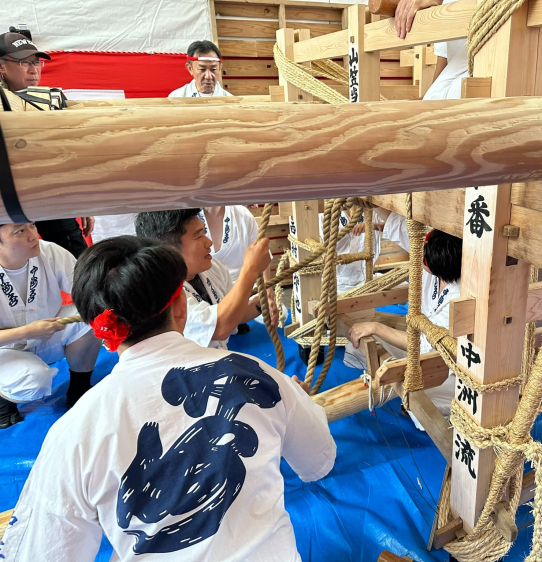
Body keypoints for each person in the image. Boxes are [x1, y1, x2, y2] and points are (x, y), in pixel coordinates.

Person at [0, 236, 335, 561]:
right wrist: (294, 400)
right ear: (181, 306)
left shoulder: (74, 431)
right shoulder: (257, 375)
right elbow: (319, 460)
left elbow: (44, 552)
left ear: (103, 336)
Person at [347, 209, 461, 419]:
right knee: (359, 335)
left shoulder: (459, 297)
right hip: (420, 338)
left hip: (446, 365)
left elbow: (427, 348)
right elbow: (396, 223)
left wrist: (377, 327)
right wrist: (369, 197)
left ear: (432, 266)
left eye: (422, 260)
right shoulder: (434, 253)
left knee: (420, 398)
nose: (417, 257)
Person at [0, 32, 94, 257]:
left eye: (36, 62)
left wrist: (80, 203)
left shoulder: (48, 100)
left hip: (48, 193)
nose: (34, 69)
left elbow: (64, 156)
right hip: (6, 202)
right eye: (24, 62)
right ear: (1, 66)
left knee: (79, 263)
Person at [0, 222, 102, 428]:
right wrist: (27, 331)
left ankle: (79, 388)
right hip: (5, 350)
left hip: (45, 334)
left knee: (92, 315)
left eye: (32, 226)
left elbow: (85, 292)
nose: (33, 236)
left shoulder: (49, 251)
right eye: (20, 231)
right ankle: (3, 400)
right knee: (33, 380)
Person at [135, 210, 276, 349]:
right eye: (198, 236)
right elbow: (220, 326)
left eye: (204, 232)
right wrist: (250, 270)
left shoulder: (212, 268)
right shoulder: (162, 292)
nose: (209, 242)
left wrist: (260, 305)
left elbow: (233, 312)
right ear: (169, 250)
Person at [201, 205, 280, 332]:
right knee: (210, 321)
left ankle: (239, 319)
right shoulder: (191, 217)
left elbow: (260, 251)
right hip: (207, 286)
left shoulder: (242, 214)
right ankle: (235, 321)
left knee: (277, 312)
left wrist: (267, 290)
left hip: (243, 282)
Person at [318, 208, 383, 294]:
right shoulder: (325, 216)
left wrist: (373, 225)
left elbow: (392, 225)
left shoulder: (372, 211)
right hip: (335, 282)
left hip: (366, 278)